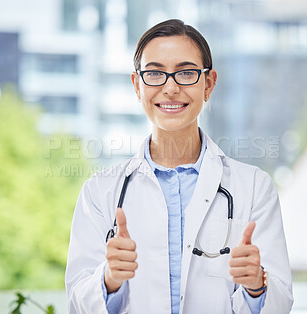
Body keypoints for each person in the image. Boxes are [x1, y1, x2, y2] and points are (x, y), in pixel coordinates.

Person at [65, 19, 293, 314]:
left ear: (208, 83)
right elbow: (76, 302)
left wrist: (255, 285)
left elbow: (280, 300)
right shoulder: (99, 192)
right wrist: (110, 281)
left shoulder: (253, 187)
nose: (170, 88)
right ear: (137, 85)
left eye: (185, 73)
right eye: (155, 74)